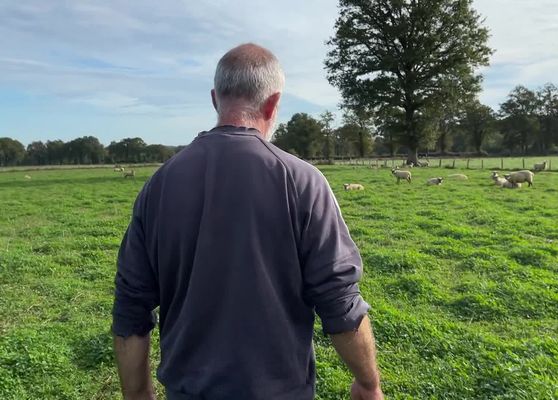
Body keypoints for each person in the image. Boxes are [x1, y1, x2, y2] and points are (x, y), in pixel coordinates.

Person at [112, 43, 383, 400]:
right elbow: (339, 299)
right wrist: (368, 384)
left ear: (215, 99)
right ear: (273, 104)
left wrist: (137, 393)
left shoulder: (159, 184)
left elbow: (131, 305)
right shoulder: (302, 181)